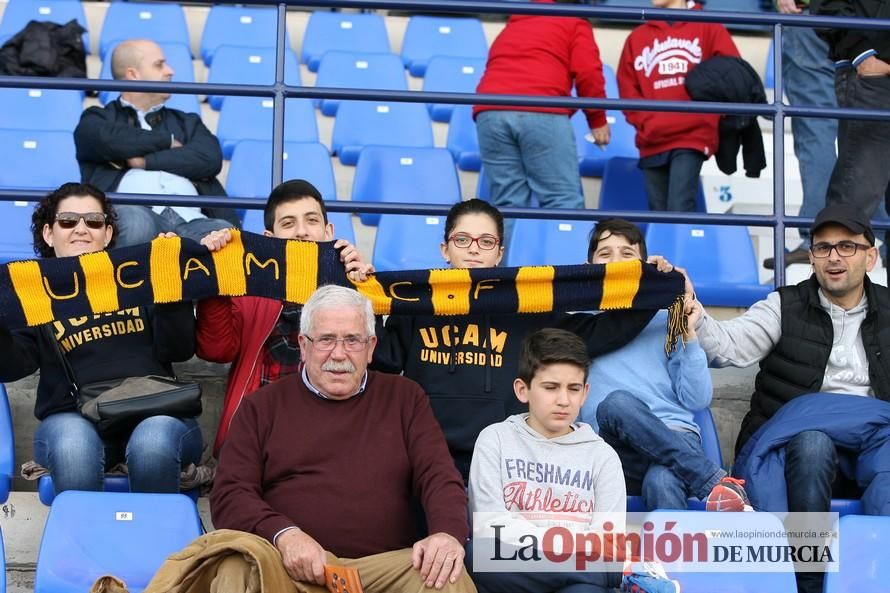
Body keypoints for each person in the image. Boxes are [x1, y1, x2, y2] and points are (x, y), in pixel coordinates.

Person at [210, 285, 476, 593]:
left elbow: (439, 475)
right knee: (236, 567)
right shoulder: (261, 406)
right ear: (303, 344)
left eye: (352, 340)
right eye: (325, 340)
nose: (339, 354)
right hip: (286, 565)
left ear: (371, 346)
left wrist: (446, 533)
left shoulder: (405, 398)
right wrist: (284, 534)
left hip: (382, 569)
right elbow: (230, 493)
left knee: (445, 578)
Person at [372, 199, 657, 482]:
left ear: (499, 253)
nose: (473, 248)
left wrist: (653, 287)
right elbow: (382, 359)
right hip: (428, 454)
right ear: (444, 249)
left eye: (486, 241)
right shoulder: (414, 304)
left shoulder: (527, 304)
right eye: (462, 239)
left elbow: (598, 332)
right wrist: (365, 304)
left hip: (507, 460)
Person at [688, 204, 889, 593]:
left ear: (871, 255)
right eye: (822, 247)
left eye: (847, 246)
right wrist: (696, 314)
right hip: (796, 451)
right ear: (811, 257)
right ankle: (807, 581)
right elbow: (727, 348)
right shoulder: (785, 305)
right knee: (812, 442)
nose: (833, 257)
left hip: (871, 445)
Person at [0, 182, 201, 496]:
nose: (81, 229)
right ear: (48, 234)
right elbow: (12, 367)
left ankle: (157, 544)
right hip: (73, 418)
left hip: (158, 412)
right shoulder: (33, 295)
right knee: (73, 448)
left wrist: (170, 285)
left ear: (107, 234)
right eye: (68, 221)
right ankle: (85, 545)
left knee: (152, 444)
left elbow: (178, 349)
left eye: (93, 221)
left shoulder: (139, 278)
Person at [580, 219, 750, 511]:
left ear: (643, 264)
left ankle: (670, 559)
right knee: (616, 403)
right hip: (610, 450)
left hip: (675, 436)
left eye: (627, 254)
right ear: (589, 265)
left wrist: (688, 332)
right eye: (605, 254)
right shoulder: (579, 320)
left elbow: (697, 399)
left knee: (662, 480)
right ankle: (714, 483)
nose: (617, 262)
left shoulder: (665, 316)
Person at [196, 179, 373, 455]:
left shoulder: (351, 289)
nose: (302, 232)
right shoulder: (249, 292)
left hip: (333, 439)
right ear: (270, 239)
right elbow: (215, 349)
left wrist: (361, 290)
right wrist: (216, 277)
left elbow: (379, 359)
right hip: (257, 438)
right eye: (288, 224)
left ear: (329, 232)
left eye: (311, 221)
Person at [467, 328, 625, 593]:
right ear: (522, 389)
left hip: (577, 583)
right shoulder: (495, 439)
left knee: (590, 587)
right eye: (551, 388)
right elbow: (489, 529)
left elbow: (607, 545)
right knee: (477, 553)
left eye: (573, 389)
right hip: (515, 574)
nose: (563, 400)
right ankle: (585, 574)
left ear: (585, 393)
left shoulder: (603, 456)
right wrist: (572, 556)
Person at [74, 39, 235, 247]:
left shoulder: (187, 121)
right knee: (135, 223)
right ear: (133, 75)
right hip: (136, 217)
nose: (170, 71)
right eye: (159, 65)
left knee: (225, 235)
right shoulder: (98, 119)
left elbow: (209, 158)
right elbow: (103, 139)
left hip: (193, 219)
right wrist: (166, 141)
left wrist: (144, 162)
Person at [474, 0, 610, 236]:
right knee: (563, 202)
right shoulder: (574, 20)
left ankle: (502, 273)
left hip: (490, 111)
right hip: (541, 108)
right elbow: (588, 72)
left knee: (507, 205)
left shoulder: (516, 21)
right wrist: (597, 119)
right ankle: (569, 272)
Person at [617, 0, 739, 211]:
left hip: (692, 135)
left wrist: (710, 115)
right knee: (658, 211)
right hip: (653, 137)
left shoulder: (709, 26)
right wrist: (645, 121)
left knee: (679, 206)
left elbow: (732, 74)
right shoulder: (637, 37)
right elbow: (627, 87)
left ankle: (684, 245)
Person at [812, 0, 890, 261]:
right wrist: (862, 54)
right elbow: (826, 4)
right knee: (853, 201)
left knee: (853, 200)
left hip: (874, 73)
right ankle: (830, 302)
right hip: (873, 77)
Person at [763, 0, 838, 269]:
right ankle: (879, 230)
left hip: (812, 13)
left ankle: (818, 237)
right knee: (869, 131)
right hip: (866, 17)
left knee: (816, 130)